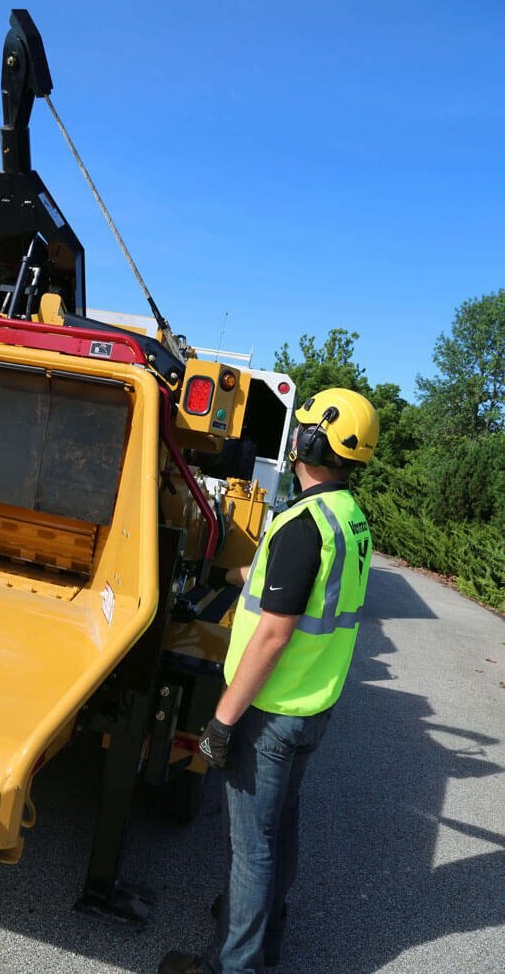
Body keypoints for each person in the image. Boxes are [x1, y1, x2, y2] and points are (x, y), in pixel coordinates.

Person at [158, 387, 380, 974]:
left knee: (250, 850)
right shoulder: (349, 521)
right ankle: (265, 939)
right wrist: (215, 571)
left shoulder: (303, 524)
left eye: (302, 428)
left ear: (310, 441)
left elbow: (274, 633)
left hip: (271, 713)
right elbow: (276, 579)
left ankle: (233, 966)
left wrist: (223, 721)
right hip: (313, 708)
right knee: (277, 831)